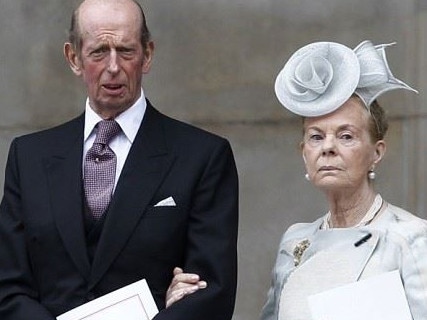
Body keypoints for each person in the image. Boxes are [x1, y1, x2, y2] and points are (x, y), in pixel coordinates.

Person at [0, 0, 238, 319]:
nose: (113, 66)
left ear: (147, 54)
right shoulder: (28, 156)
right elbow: (8, 287)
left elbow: (211, 292)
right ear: (74, 58)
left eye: (126, 51)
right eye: (99, 51)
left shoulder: (202, 156)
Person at [168, 40, 427, 320]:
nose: (328, 147)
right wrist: (185, 305)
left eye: (346, 135)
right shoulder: (295, 241)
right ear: (304, 153)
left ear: (377, 152)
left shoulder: (411, 238)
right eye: (316, 136)